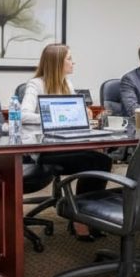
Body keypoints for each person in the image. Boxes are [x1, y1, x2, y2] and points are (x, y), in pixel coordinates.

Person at [20, 43, 112, 241]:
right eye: (70, 58)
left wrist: (82, 114)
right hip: (45, 149)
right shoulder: (36, 84)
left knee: (102, 161)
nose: (73, 62)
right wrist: (51, 117)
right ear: (57, 62)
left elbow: (71, 116)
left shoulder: (67, 84)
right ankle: (79, 220)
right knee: (96, 162)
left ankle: (86, 215)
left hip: (66, 142)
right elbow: (23, 116)